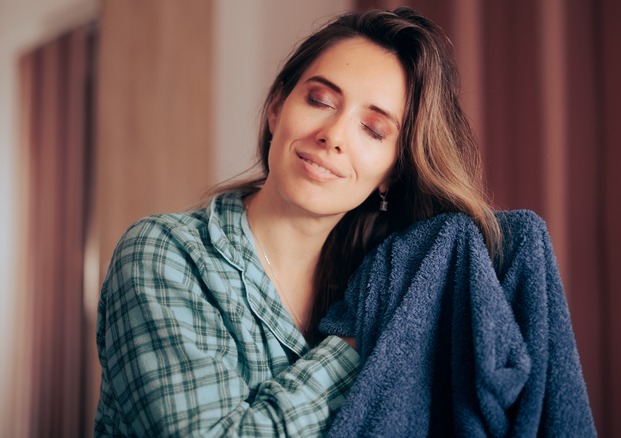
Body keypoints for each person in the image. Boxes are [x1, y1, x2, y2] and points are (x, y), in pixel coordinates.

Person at [94, 7, 503, 436]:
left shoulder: (381, 278)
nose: (334, 135)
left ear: (393, 172)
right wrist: (358, 346)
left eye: (374, 130)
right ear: (276, 109)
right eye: (320, 100)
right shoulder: (164, 254)